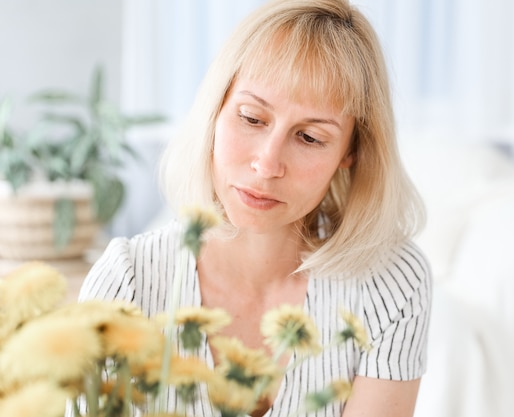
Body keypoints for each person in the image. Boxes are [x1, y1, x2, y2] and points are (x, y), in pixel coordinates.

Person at [79, 0, 432, 416]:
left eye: (310, 138)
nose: (267, 164)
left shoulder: (391, 284)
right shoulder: (129, 283)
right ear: (216, 109)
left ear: (350, 152)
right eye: (251, 118)